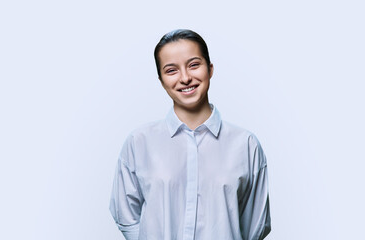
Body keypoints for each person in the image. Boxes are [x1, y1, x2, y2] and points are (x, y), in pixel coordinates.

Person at [109, 29, 271, 240]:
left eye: (194, 65)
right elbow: (126, 217)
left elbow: (254, 227)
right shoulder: (139, 143)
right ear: (161, 80)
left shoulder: (246, 145)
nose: (185, 78)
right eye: (171, 70)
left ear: (210, 69)